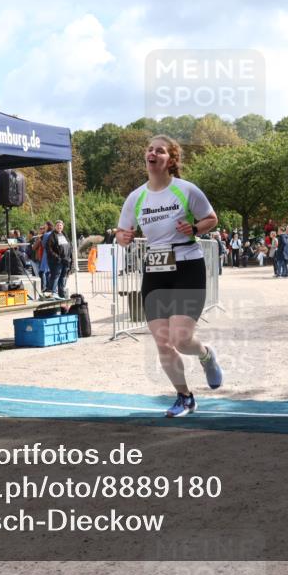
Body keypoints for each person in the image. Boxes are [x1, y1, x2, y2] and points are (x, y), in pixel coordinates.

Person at [115, 135, 223, 418]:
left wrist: (196, 229)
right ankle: (185, 397)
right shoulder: (136, 197)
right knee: (163, 341)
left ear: (171, 160)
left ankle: (206, 355)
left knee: (181, 339)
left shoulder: (186, 190)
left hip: (187, 266)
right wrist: (123, 237)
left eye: (159, 151)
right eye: (149, 149)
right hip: (154, 270)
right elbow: (121, 233)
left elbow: (211, 218)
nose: (152, 153)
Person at [45, 220, 73, 299]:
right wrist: (57, 257)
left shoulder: (64, 235)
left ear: (63, 226)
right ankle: (54, 292)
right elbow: (49, 249)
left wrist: (70, 258)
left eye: (60, 225)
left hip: (66, 260)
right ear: (55, 226)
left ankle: (61, 292)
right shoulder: (52, 236)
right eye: (57, 225)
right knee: (56, 276)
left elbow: (69, 246)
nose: (59, 227)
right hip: (57, 261)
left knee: (63, 277)